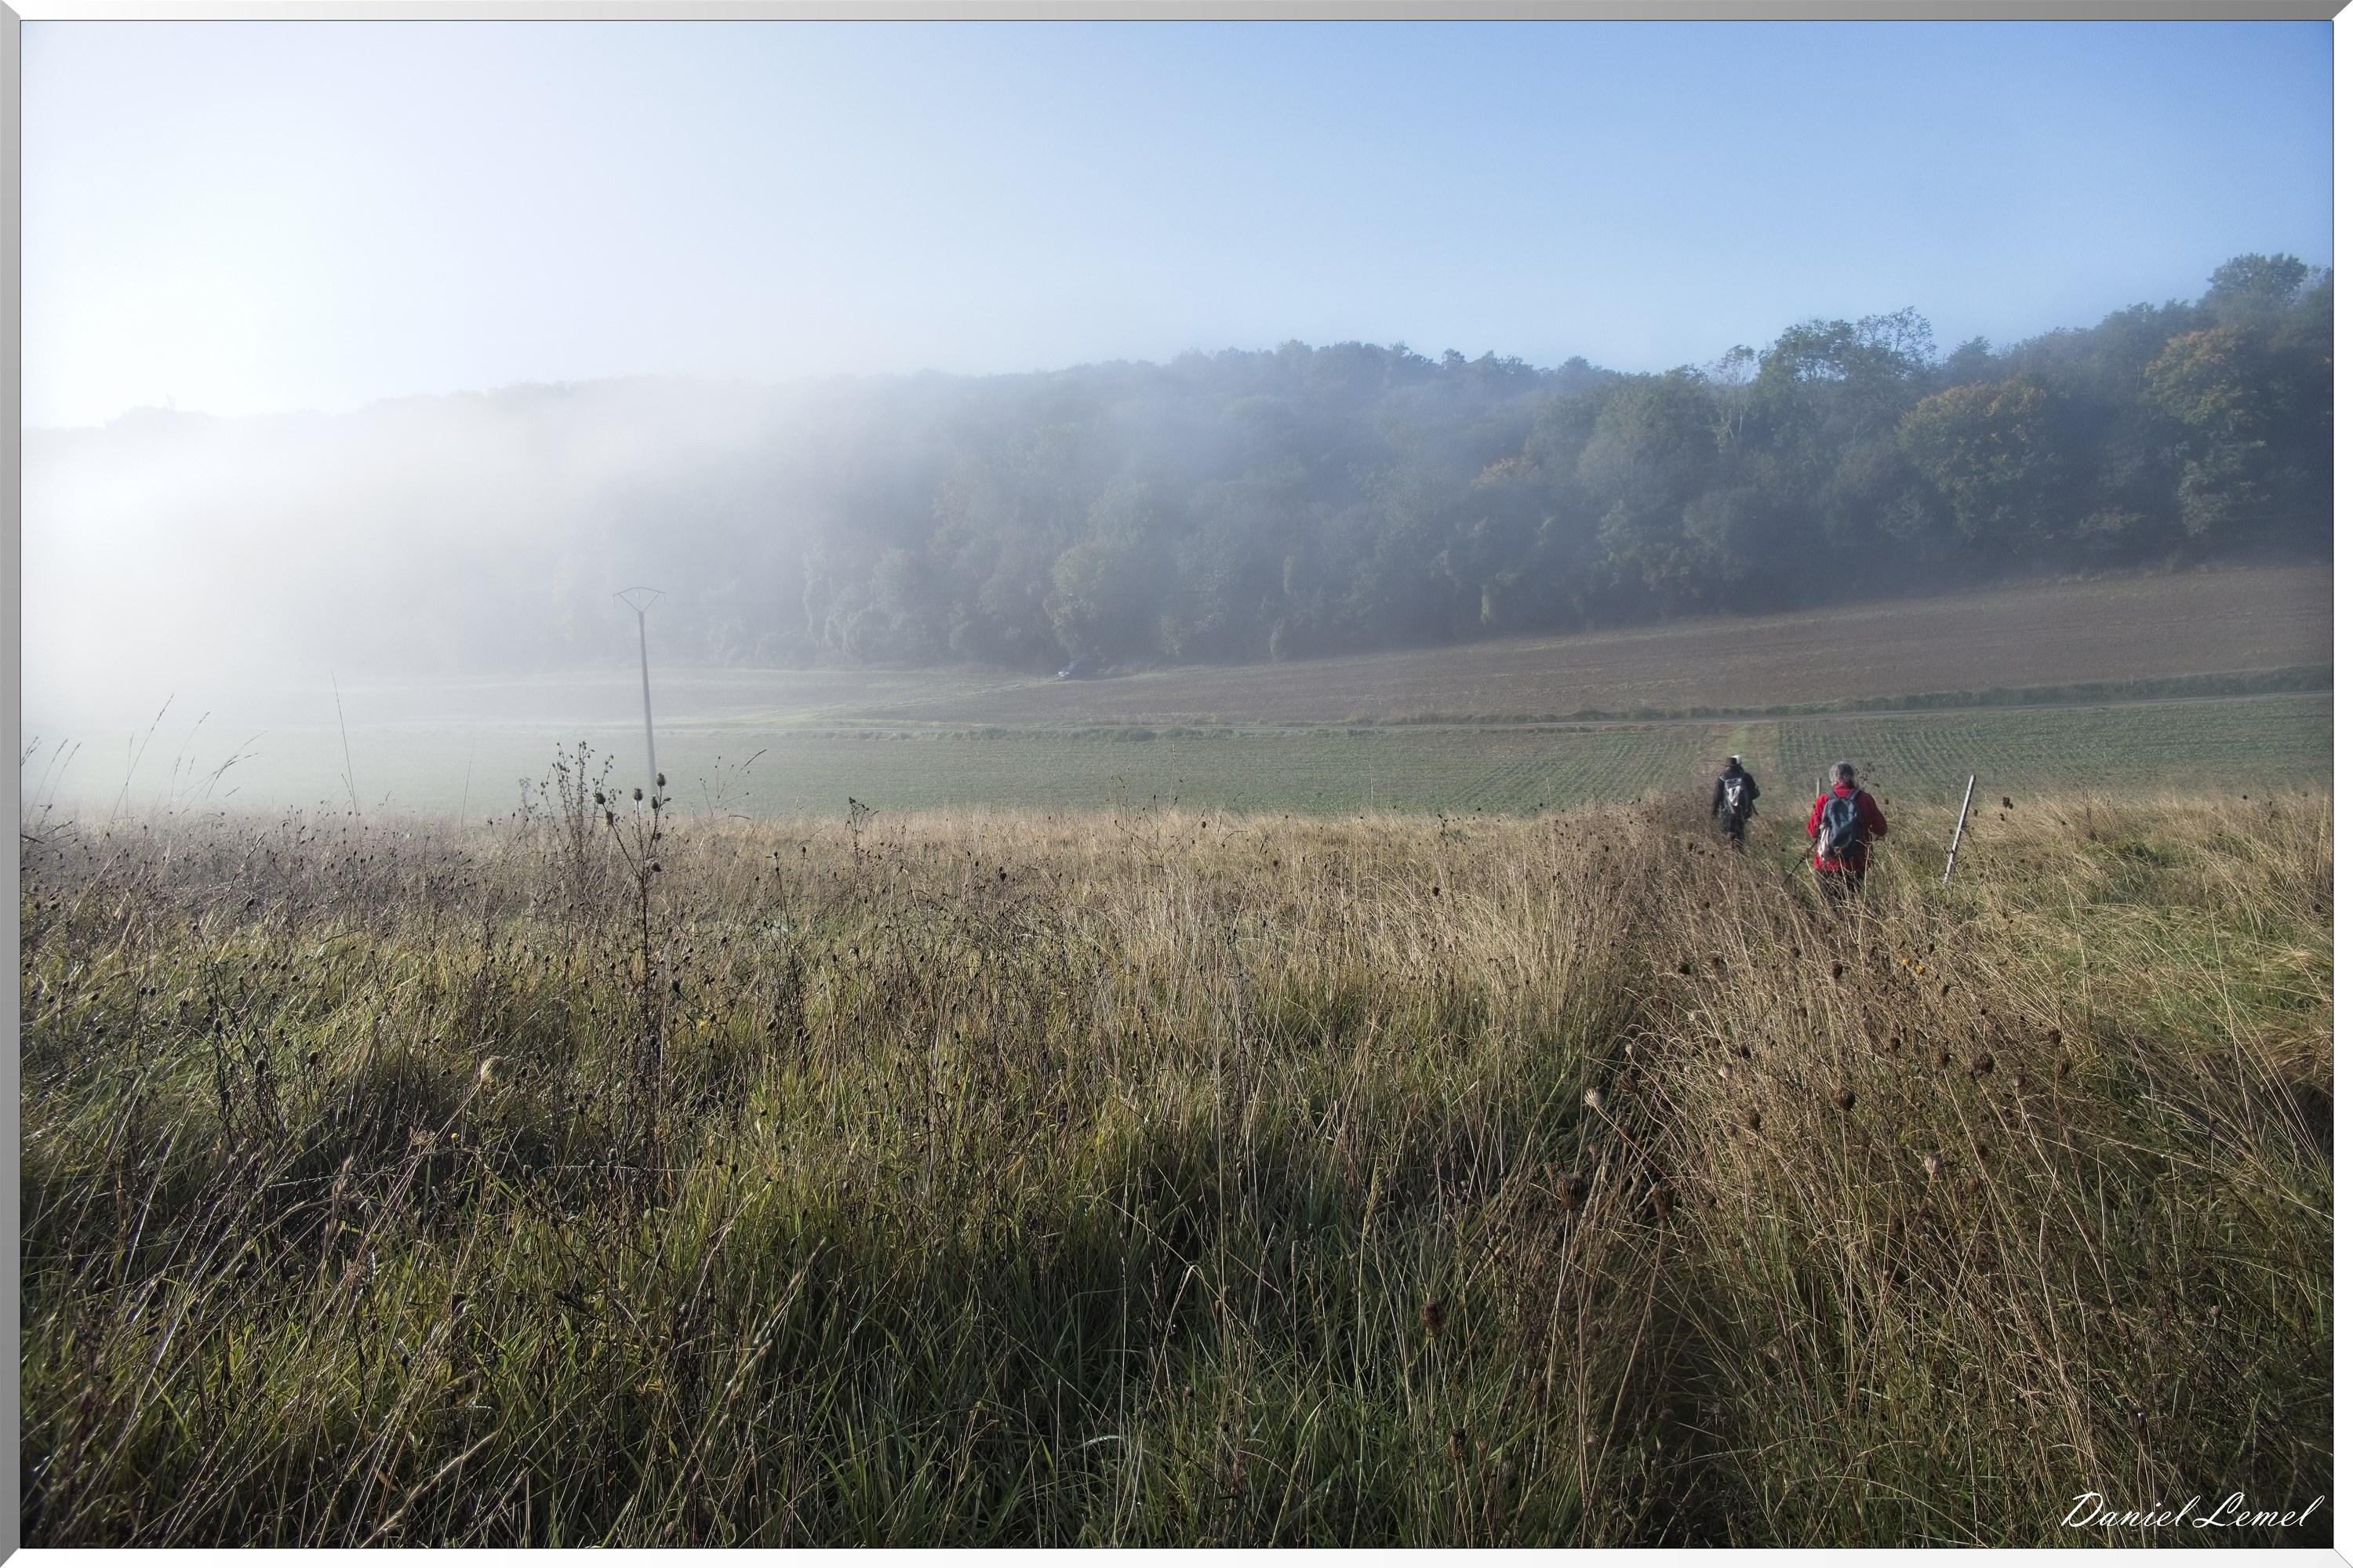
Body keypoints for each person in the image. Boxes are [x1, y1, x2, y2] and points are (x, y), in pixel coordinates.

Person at [1807, 760, 1888, 894]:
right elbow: (1881, 830)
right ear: (1853, 777)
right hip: (1856, 864)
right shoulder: (1865, 799)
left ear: (1833, 778)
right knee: (1851, 907)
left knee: (1830, 910)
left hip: (1826, 864)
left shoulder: (1824, 799)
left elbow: (1813, 832)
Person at [1711, 755, 1760, 846]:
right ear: (1738, 765)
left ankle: (1730, 854)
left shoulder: (1721, 778)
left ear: (1726, 767)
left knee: (1728, 835)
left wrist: (1713, 812)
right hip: (1742, 812)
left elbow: (1716, 797)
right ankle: (1740, 853)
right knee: (1740, 834)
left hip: (1727, 812)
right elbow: (1755, 794)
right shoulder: (1746, 776)